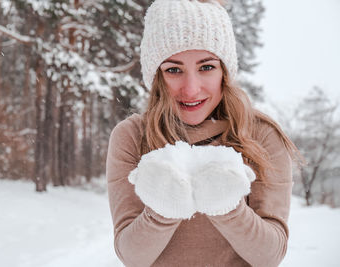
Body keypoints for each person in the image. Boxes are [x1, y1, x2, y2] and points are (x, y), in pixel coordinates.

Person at [106, 0, 300, 266]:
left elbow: (270, 256)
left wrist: (228, 208)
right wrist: (163, 209)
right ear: (156, 78)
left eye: (206, 67)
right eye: (173, 70)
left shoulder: (261, 136)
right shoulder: (132, 136)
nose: (191, 89)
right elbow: (132, 256)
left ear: (225, 71)